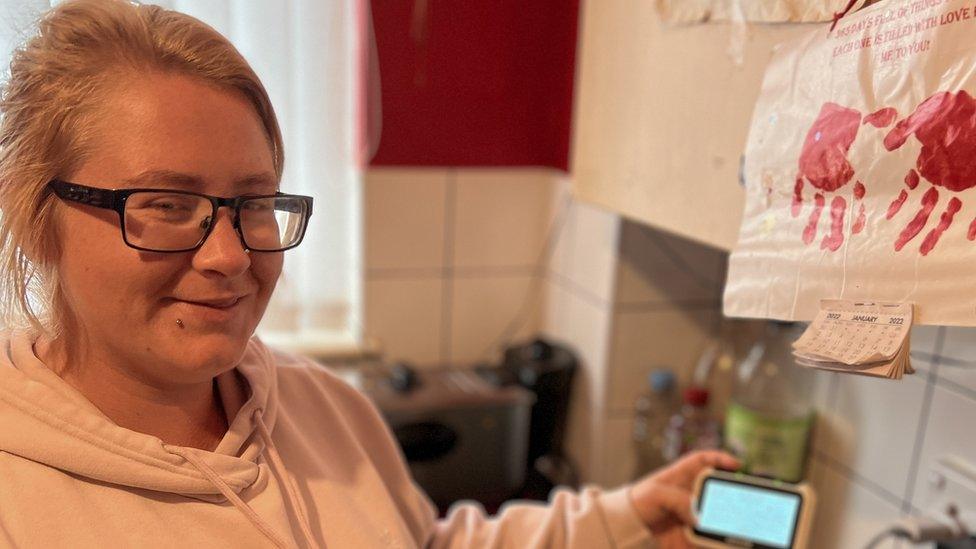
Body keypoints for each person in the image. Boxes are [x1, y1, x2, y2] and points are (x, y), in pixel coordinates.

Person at [0, 1, 739, 547]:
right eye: (165, 203)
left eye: (254, 204)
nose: (228, 255)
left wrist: (625, 518)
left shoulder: (323, 408)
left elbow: (424, 542)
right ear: (37, 219)